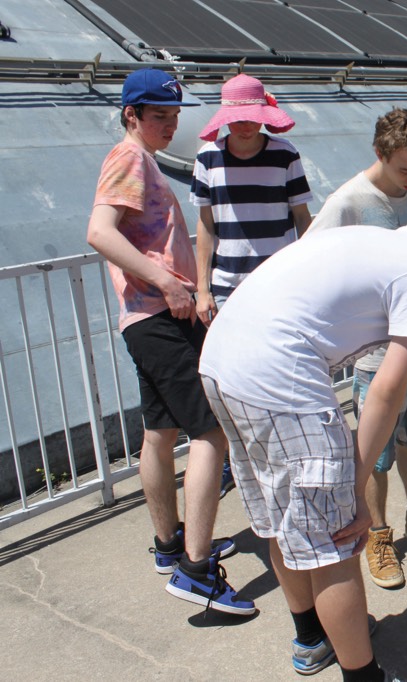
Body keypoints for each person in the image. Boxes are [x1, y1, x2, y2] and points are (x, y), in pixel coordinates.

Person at [199, 195, 407, 680]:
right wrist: (354, 484)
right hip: (279, 374)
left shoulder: (376, 240)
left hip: (221, 363)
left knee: (285, 517)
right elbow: (387, 387)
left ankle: (313, 639)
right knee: (337, 541)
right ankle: (363, 674)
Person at [86, 68, 250, 615]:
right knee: (211, 433)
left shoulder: (141, 160)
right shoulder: (129, 157)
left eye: (175, 116)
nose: (169, 125)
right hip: (159, 315)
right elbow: (99, 232)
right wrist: (163, 281)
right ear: (131, 114)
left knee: (158, 433)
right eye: (159, 116)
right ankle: (196, 572)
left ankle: (169, 545)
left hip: (148, 317)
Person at [306, 108, 407, 591]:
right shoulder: (347, 204)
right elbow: (312, 264)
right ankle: (379, 535)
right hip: (376, 356)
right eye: (405, 169)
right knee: (375, 451)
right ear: (380, 154)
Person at [191, 74, 313, 498]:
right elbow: (206, 227)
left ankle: (282, 451)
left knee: (277, 365)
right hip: (228, 284)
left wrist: (308, 271)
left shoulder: (284, 154)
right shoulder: (208, 158)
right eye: (237, 118)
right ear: (225, 118)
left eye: (252, 117)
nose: (245, 126)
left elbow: (302, 219)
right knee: (232, 373)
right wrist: (202, 289)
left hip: (277, 282)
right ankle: (240, 458)